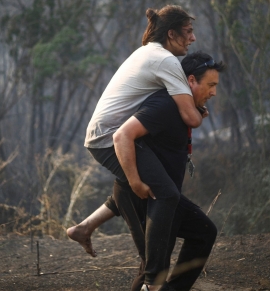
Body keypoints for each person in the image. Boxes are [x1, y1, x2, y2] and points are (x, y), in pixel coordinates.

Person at [69, 52, 225, 291]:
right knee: (152, 268)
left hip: (161, 195)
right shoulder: (164, 104)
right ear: (191, 80)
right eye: (211, 85)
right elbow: (122, 137)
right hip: (145, 197)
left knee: (203, 233)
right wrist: (133, 183)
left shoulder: (186, 109)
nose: (214, 92)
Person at [83, 5, 205, 291]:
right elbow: (190, 117)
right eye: (188, 32)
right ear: (171, 34)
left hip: (107, 136)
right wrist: (200, 108)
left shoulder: (148, 52)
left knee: (147, 191)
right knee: (164, 194)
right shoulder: (165, 60)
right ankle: (153, 282)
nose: (193, 38)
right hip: (110, 138)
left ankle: (84, 227)